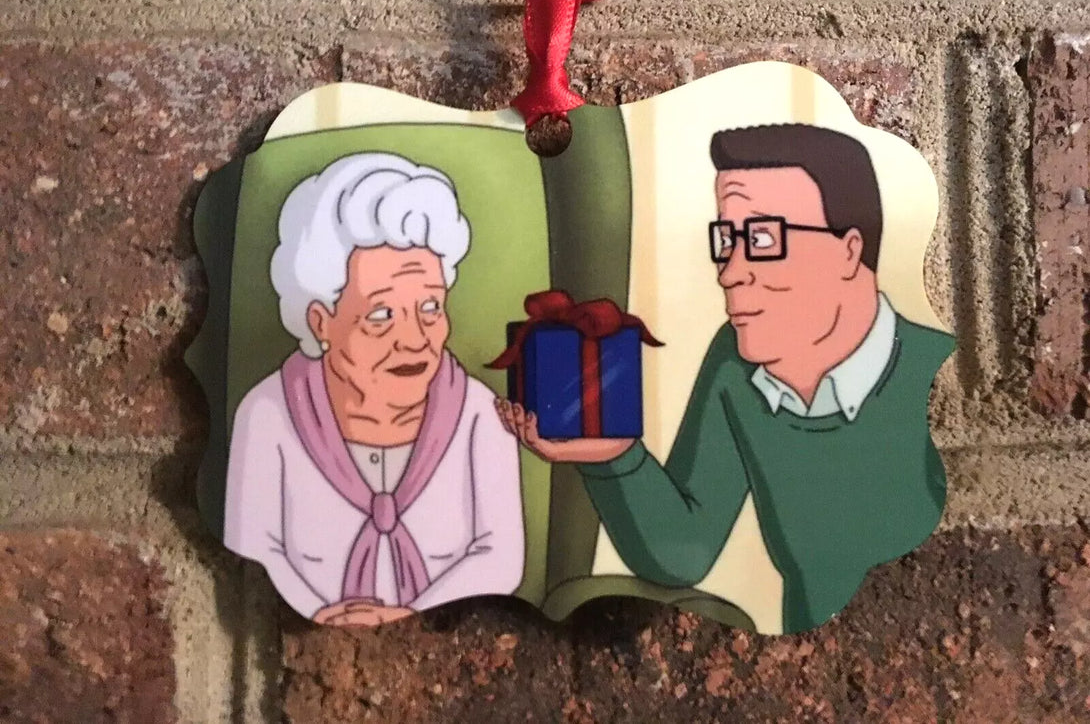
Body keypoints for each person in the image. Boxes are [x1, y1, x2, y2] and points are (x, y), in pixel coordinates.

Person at [498, 124, 955, 633]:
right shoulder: (738, 367)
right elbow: (684, 550)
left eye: (762, 239)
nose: (730, 272)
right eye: (725, 241)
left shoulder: (933, 371)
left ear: (849, 250)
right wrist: (613, 456)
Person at [225, 152, 525, 627]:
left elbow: (500, 558)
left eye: (430, 308)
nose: (414, 340)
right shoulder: (267, 414)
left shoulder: (479, 416)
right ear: (321, 322)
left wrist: (406, 615)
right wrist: (325, 615)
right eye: (382, 315)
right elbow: (253, 552)